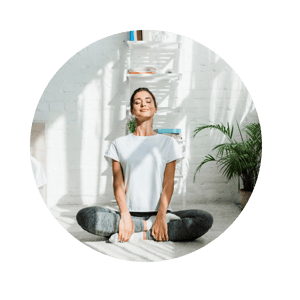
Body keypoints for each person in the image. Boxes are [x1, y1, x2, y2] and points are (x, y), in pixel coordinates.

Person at [76, 87, 213, 243]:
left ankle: (138, 233)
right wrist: (125, 216)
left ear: (155, 108)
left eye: (148, 101)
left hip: (161, 212)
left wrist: (161, 216)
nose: (143, 104)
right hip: (129, 212)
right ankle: (148, 226)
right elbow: (118, 184)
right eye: (137, 102)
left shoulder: (169, 143)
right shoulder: (118, 144)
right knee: (86, 216)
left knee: (204, 219)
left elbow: (168, 184)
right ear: (132, 111)